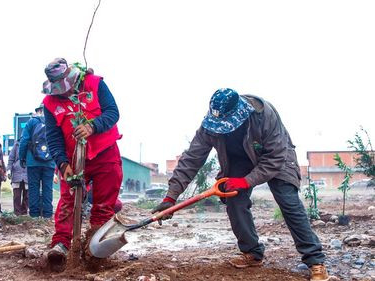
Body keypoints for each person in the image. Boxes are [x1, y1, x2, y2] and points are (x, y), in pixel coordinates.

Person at [152, 88, 334, 281]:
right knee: (234, 202)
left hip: (275, 156)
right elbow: (191, 159)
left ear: (239, 113)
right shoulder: (210, 125)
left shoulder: (263, 115)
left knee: (288, 201)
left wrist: (246, 181)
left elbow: (276, 157)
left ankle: (315, 261)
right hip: (239, 161)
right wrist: (171, 196)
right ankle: (253, 253)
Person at [42, 58, 123, 271]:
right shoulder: (50, 103)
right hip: (73, 159)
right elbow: (53, 137)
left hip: (105, 153)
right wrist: (62, 164)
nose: (65, 94)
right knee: (68, 199)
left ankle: (96, 248)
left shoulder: (95, 84)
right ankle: (61, 244)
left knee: (104, 203)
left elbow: (113, 113)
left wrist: (93, 126)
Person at [19, 103, 56, 220]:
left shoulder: (31, 122)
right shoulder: (54, 121)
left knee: (33, 188)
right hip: (49, 161)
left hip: (33, 161)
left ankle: (34, 214)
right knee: (47, 188)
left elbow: (24, 141)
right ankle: (47, 214)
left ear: (38, 110)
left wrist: (22, 158)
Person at [7, 139, 29, 216]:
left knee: (27, 195)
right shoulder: (16, 145)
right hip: (17, 173)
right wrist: (9, 170)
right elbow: (11, 158)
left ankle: (24, 212)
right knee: (17, 195)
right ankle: (17, 213)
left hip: (28, 173)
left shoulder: (32, 144)